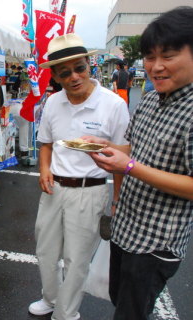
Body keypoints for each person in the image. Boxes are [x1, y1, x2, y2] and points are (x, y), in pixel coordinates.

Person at [85, 7, 193, 320]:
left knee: (131, 313)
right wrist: (106, 147)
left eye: (168, 56)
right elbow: (133, 147)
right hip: (126, 227)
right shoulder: (150, 98)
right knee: (120, 300)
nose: (156, 67)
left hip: (156, 243)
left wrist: (129, 167)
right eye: (149, 57)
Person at [27, 33, 130, 320]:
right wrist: (44, 169)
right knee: (45, 252)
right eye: (65, 73)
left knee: (76, 259)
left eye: (79, 68)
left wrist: (117, 199)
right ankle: (50, 298)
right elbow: (46, 143)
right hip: (53, 188)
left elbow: (122, 156)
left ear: (89, 65)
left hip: (90, 190)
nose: (74, 77)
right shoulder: (53, 103)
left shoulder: (113, 105)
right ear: (56, 77)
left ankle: (66, 313)